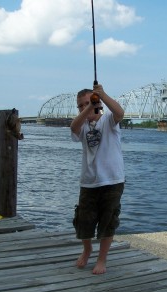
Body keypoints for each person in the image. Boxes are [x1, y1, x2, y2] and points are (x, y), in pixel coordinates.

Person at [70, 83, 125, 274]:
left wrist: (102, 95)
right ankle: (87, 249)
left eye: (89, 102)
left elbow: (120, 112)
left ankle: (102, 260)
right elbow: (73, 127)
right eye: (80, 105)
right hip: (89, 182)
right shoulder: (82, 125)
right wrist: (87, 109)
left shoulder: (109, 120)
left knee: (108, 221)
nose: (84, 107)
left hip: (112, 180)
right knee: (83, 220)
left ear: (98, 103)